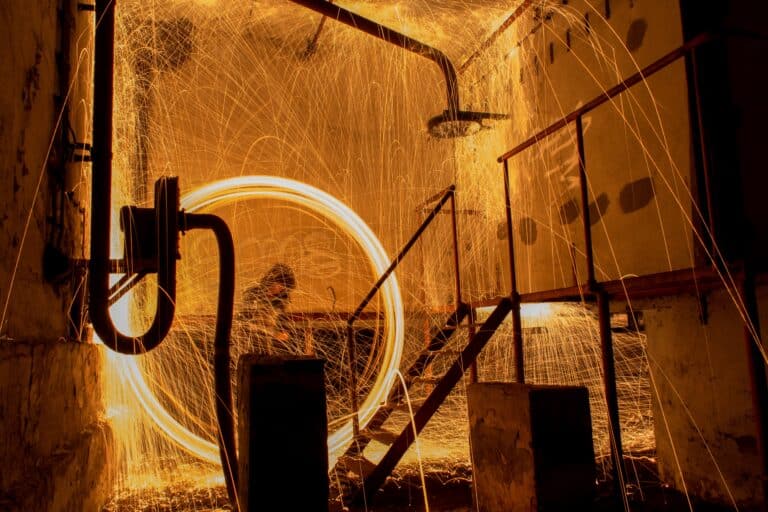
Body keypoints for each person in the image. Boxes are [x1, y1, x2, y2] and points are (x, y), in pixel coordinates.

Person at [237, 263, 296, 355]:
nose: (280, 289)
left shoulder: (279, 301)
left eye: (283, 287)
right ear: (271, 280)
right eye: (279, 285)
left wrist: (283, 332)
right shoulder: (253, 294)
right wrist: (274, 333)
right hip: (249, 341)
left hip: (266, 342)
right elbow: (246, 322)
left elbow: (280, 321)